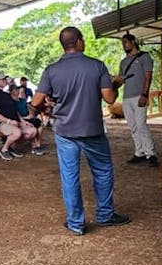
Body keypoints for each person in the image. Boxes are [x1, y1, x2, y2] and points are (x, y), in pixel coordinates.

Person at [31, 26, 130, 236]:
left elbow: (36, 102)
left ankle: (76, 222)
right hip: (92, 130)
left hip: (65, 131)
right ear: (78, 42)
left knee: (69, 176)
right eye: (82, 39)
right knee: (102, 170)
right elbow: (110, 98)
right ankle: (105, 214)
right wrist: (116, 84)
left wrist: (48, 101)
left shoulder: (51, 70)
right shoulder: (97, 66)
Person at [112, 33, 158, 167]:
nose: (124, 45)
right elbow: (120, 81)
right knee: (133, 126)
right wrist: (112, 82)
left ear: (133, 42)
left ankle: (151, 154)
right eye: (122, 43)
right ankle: (139, 152)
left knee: (141, 125)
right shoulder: (123, 62)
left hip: (139, 96)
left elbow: (148, 77)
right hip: (126, 97)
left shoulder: (144, 57)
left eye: (126, 42)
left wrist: (144, 94)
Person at [0, 72, 36, 161]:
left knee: (32, 131)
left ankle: (12, 146)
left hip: (14, 122)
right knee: (17, 132)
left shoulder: (6, 95)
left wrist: (22, 121)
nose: (4, 81)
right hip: (0, 123)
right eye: (2, 80)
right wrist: (9, 121)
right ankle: (4, 150)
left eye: (5, 79)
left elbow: (15, 110)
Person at [12, 85, 47, 155]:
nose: (22, 93)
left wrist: (31, 114)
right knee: (33, 127)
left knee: (40, 127)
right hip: (22, 119)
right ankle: (34, 146)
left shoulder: (22, 100)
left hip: (28, 118)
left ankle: (38, 144)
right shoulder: (12, 102)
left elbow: (29, 108)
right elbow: (16, 113)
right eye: (20, 91)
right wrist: (23, 119)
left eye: (23, 92)